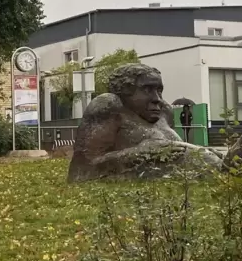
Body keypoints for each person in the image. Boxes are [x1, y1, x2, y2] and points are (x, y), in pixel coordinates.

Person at [67, 64, 220, 182]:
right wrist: (137, 153)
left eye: (159, 90)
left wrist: (201, 152)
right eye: (147, 90)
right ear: (125, 91)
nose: (157, 99)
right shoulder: (109, 106)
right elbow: (81, 171)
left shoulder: (164, 111)